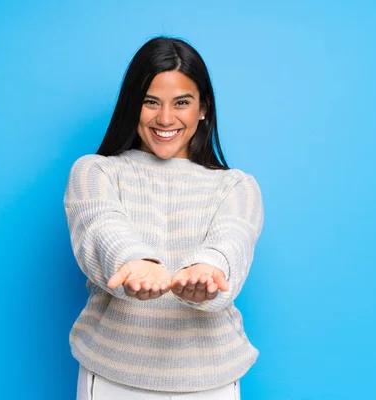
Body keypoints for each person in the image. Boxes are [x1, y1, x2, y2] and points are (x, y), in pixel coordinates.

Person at [64, 36, 264, 400]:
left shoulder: (236, 186)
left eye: (182, 103)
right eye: (150, 102)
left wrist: (209, 269)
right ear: (132, 106)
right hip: (114, 378)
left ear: (203, 108)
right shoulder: (95, 172)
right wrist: (134, 262)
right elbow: (101, 227)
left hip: (212, 381)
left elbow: (231, 240)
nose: (166, 118)